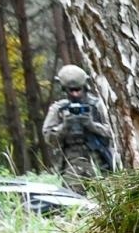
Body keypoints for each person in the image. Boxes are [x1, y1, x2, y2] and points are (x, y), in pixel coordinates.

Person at [41, 64, 114, 192]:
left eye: (78, 89)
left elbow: (114, 132)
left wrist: (92, 125)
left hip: (99, 159)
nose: (75, 93)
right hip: (72, 162)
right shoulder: (59, 109)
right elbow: (48, 136)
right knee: (73, 201)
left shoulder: (98, 105)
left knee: (108, 196)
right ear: (64, 89)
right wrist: (64, 126)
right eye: (71, 90)